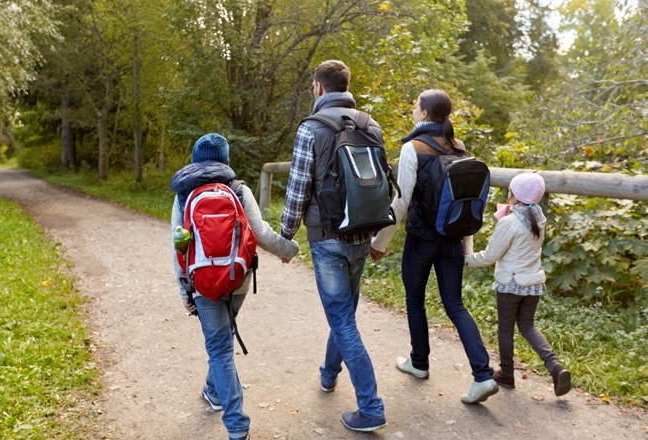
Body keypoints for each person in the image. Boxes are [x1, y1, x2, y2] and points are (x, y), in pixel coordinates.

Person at [370, 89, 499, 404]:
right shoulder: (460, 149)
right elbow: (467, 206)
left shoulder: (413, 148)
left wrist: (379, 242)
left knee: (415, 301)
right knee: (455, 305)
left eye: (416, 106)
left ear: (425, 113)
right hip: (453, 240)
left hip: (421, 240)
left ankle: (419, 362)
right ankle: (482, 376)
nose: (414, 110)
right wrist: (468, 250)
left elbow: (401, 200)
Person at [280, 60, 387, 432]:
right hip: (361, 233)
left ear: (319, 88)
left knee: (342, 320)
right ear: (346, 85)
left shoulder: (311, 128)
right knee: (345, 317)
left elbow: (298, 189)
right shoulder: (370, 124)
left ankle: (371, 407)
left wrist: (286, 235)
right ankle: (329, 373)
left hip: (326, 239)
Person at [171, 133, 299, 440]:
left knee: (219, 349)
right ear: (226, 160)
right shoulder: (238, 189)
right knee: (222, 343)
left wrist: (184, 290)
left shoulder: (184, 194)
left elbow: (177, 246)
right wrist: (290, 251)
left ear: (195, 159)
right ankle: (214, 392)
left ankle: (237, 427)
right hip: (237, 277)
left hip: (202, 282)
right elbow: (262, 234)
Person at [465, 172, 572, 396]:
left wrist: (468, 256)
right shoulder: (538, 218)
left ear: (513, 194)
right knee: (527, 326)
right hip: (532, 283)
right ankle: (555, 366)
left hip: (511, 284)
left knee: (506, 327)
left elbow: (490, 255)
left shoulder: (510, 223)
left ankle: (506, 373)